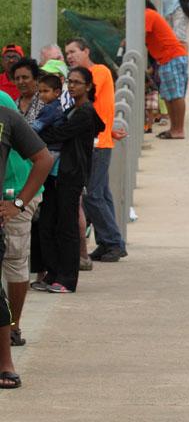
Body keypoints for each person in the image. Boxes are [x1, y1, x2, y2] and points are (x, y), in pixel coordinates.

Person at [37, 66, 105, 294]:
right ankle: (53, 274)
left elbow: (59, 134)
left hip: (71, 176)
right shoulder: (72, 109)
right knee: (49, 224)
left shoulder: (84, 112)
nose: (73, 86)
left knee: (67, 228)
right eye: (70, 82)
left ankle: (67, 279)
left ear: (88, 86)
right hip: (56, 175)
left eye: (78, 82)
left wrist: (34, 135)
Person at [0, 104, 53, 388]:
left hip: (9, 202)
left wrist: (18, 204)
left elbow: (43, 159)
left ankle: (7, 355)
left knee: (11, 273)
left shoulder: (5, 113)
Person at [64, 37, 127, 262]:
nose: (69, 56)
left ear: (87, 51)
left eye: (73, 51)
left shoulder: (98, 72)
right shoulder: (85, 79)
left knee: (91, 195)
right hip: (99, 139)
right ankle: (110, 242)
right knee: (102, 194)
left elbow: (88, 103)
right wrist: (109, 131)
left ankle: (112, 242)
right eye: (67, 53)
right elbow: (98, 111)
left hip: (96, 144)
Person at [145, 1, 189, 139]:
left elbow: (140, 36)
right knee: (168, 96)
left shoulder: (148, 14)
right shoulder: (148, 15)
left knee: (176, 94)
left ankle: (179, 129)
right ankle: (174, 128)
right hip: (165, 59)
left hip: (172, 57)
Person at [12, 58, 43, 123]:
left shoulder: (45, 102)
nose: (20, 82)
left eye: (25, 77)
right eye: (17, 78)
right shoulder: (13, 106)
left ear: (36, 79)